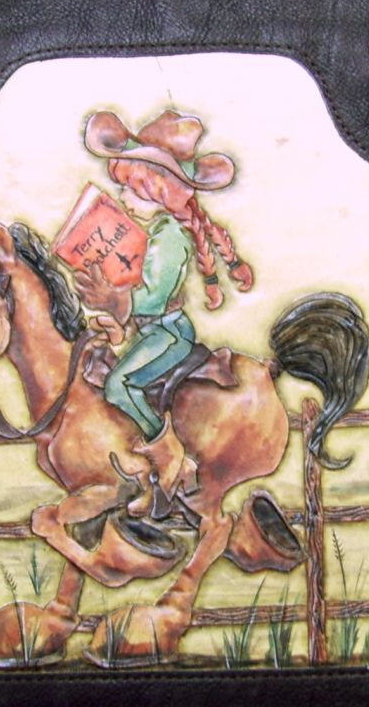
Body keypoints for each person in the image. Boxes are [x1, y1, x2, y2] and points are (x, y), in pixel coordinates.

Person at [75, 110, 253, 514]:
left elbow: (153, 297)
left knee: (119, 386)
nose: (124, 199)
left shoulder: (171, 237)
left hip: (169, 333)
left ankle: (172, 458)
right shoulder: (147, 232)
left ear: (158, 193)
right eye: (124, 189)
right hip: (145, 329)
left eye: (133, 191)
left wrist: (114, 300)